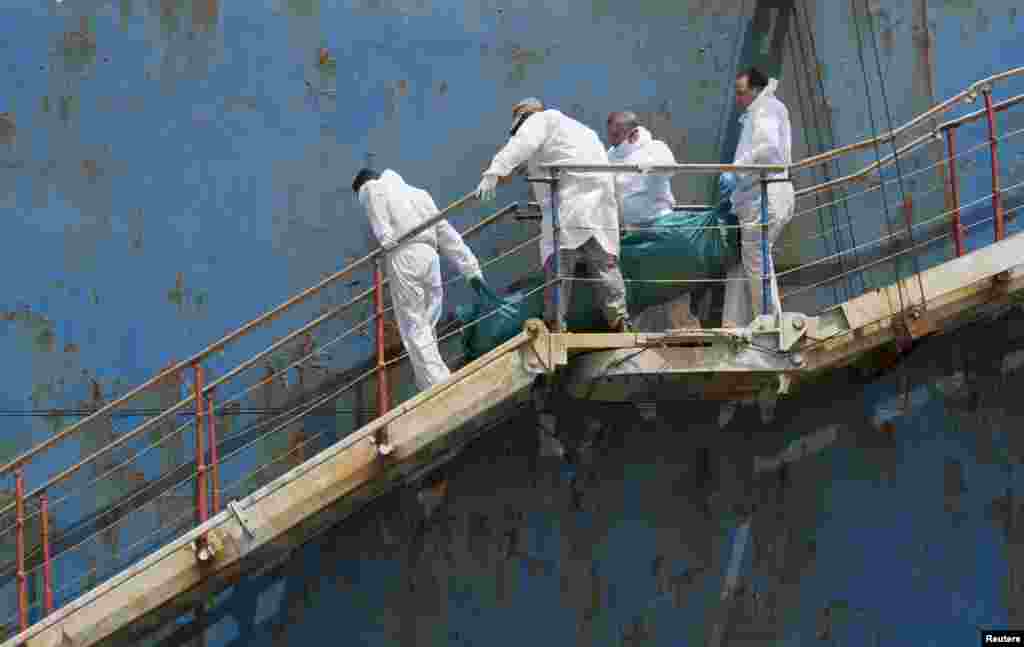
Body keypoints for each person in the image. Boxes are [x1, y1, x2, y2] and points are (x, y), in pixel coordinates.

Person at [475, 97, 632, 333]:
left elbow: (523, 144)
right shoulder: (580, 130)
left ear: (525, 120)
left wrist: (494, 171)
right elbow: (542, 156)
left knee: (558, 266)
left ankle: (555, 323)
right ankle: (620, 321)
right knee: (605, 267)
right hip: (599, 205)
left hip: (569, 203)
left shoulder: (540, 120)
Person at [352, 167, 489, 391]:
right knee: (427, 324)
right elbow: (446, 233)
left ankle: (439, 383)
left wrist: (384, 235)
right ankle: (427, 381)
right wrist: (471, 268)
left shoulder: (373, 187)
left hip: (404, 254)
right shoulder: (419, 194)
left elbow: (371, 196)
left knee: (414, 325)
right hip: (430, 256)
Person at [719, 67, 794, 328]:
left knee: (756, 257)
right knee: (748, 259)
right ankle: (737, 322)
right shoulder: (762, 111)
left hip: (765, 195)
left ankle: (769, 324)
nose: (738, 99)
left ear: (756, 90)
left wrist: (735, 172)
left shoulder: (766, 109)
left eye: (741, 93)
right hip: (762, 194)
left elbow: (767, 149)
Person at [605, 111, 678, 229]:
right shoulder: (611, 154)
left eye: (616, 135)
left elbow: (669, 169)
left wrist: (647, 166)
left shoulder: (655, 147)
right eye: (610, 135)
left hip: (658, 223)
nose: (612, 140)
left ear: (634, 134)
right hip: (627, 227)